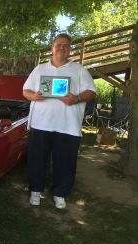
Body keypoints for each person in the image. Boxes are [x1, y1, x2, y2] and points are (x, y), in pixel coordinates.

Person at [22, 33, 96, 209]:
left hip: (68, 125)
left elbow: (91, 92)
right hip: (41, 123)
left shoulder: (79, 70)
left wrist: (76, 98)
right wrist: (34, 96)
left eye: (66, 45)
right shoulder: (39, 69)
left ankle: (60, 193)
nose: (62, 48)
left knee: (65, 160)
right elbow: (25, 91)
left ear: (70, 49)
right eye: (58, 45)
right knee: (37, 158)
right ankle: (35, 190)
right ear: (52, 48)